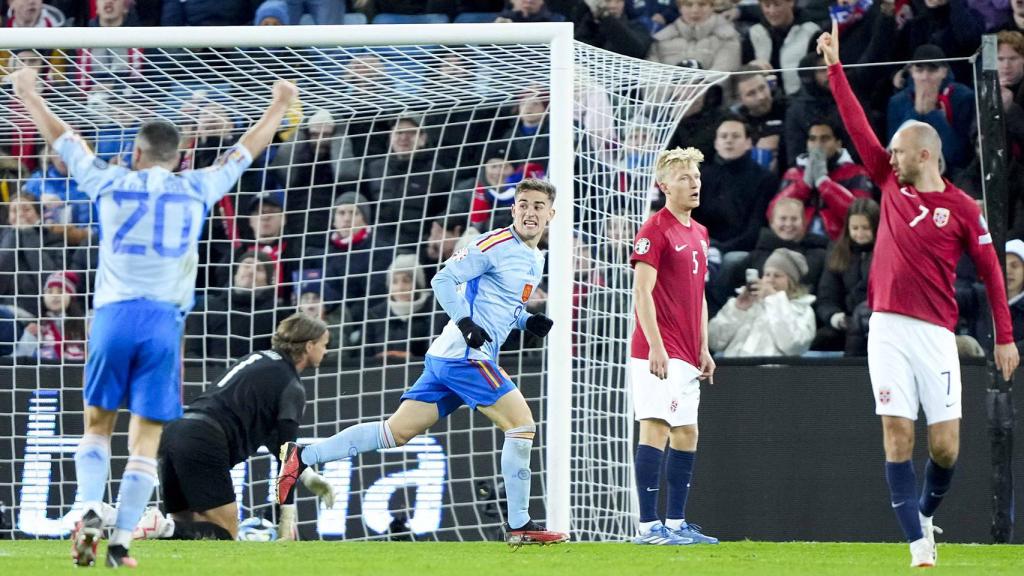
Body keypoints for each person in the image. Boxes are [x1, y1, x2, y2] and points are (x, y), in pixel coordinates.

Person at [9, 66, 298, 567]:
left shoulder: (110, 179)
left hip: (113, 317)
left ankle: (88, 509)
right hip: (164, 323)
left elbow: (64, 140)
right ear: (180, 157)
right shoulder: (198, 186)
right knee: (145, 438)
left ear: (136, 154)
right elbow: (245, 150)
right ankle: (121, 541)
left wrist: (29, 94)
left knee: (97, 425)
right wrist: (278, 105)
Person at [818, 21, 1019, 567]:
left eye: (899, 150)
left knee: (946, 447)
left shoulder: (963, 209)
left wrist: (1004, 337)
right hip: (886, 328)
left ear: (925, 155)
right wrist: (835, 68)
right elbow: (856, 125)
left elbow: (992, 273)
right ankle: (917, 544)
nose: (889, 156)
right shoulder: (888, 183)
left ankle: (926, 512)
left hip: (936, 334)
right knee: (897, 433)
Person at [276, 178, 569, 546]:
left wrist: (526, 320)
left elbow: (501, 303)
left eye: (538, 206)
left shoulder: (535, 256)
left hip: (450, 357)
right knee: (521, 426)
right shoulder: (492, 244)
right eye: (523, 204)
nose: (530, 212)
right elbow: (443, 279)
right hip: (465, 356)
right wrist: (465, 323)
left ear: (550, 214)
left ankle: (302, 456)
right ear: (513, 209)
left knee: (395, 432)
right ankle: (520, 525)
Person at [133, 313, 334, 541]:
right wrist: (287, 516)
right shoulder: (292, 386)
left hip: (175, 432)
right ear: (309, 346)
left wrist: (306, 475)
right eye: (324, 344)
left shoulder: (257, 359)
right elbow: (287, 456)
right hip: (204, 439)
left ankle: (160, 526)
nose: (325, 351)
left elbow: (275, 441)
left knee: (186, 528)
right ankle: (161, 525)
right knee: (227, 532)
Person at [629, 147, 718, 545]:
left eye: (696, 177)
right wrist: (655, 345)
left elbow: (698, 294)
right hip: (658, 349)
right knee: (656, 427)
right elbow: (642, 292)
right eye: (684, 178)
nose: (694, 183)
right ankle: (649, 527)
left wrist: (704, 346)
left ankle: (677, 523)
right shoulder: (655, 229)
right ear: (664, 186)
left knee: (686, 432)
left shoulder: (699, 232)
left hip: (687, 350)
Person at [708, 247, 816, 357]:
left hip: (775, 368)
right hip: (734, 366)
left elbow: (793, 346)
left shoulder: (803, 310)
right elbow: (714, 342)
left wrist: (775, 299)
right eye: (767, 274)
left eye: (777, 276)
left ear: (792, 281)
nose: (770, 280)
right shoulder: (746, 303)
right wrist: (737, 310)